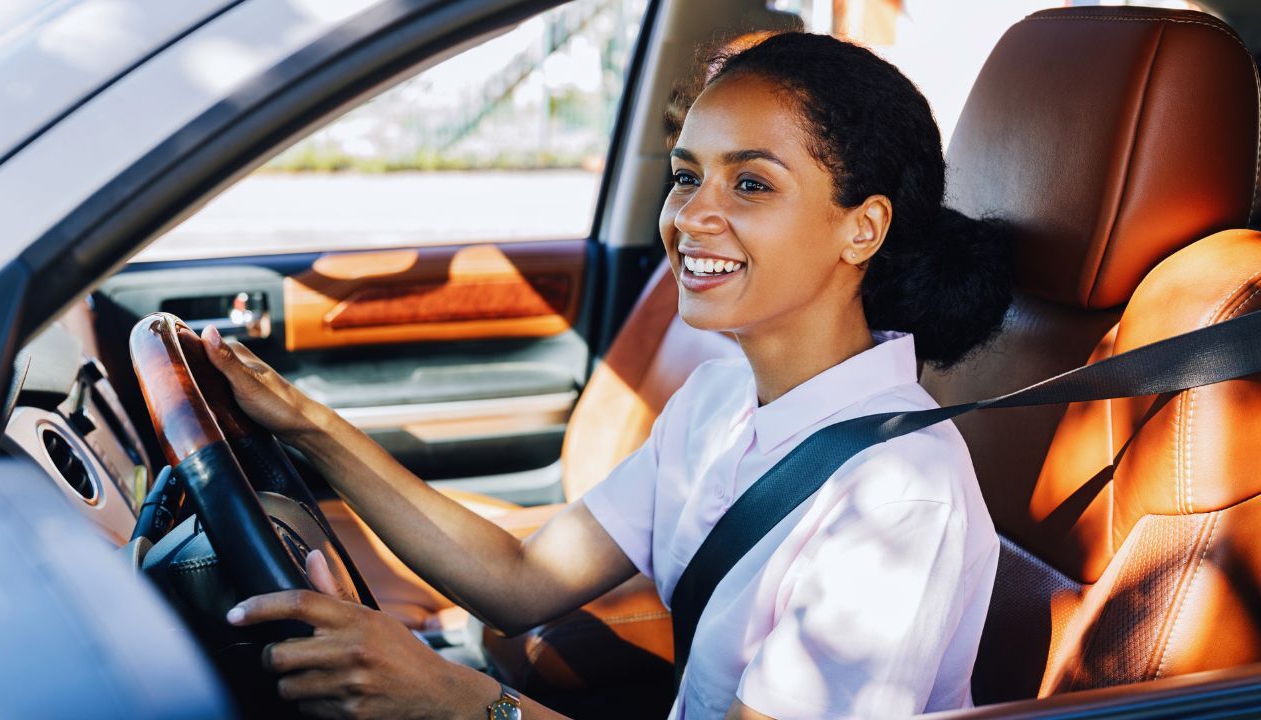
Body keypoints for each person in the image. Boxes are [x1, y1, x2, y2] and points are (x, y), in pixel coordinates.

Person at [209, 30, 1012, 720]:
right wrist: (307, 425)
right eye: (687, 174)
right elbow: (519, 579)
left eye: (752, 183)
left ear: (863, 227)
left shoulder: (898, 493)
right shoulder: (720, 398)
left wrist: (456, 700)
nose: (691, 214)